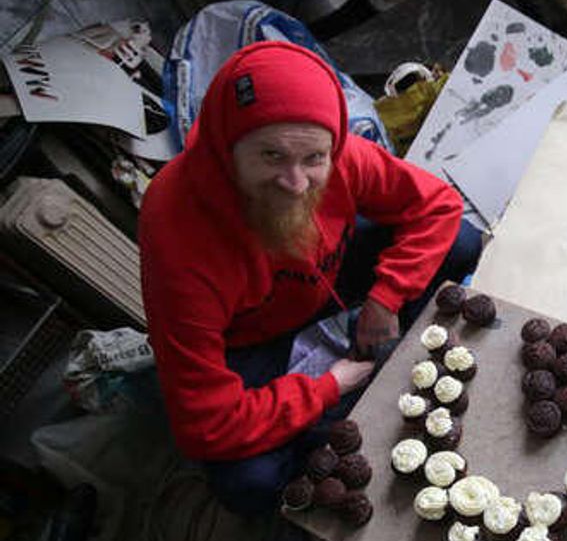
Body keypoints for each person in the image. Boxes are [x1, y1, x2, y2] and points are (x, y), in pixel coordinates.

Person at [139, 41, 478, 515]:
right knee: (248, 484)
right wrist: (327, 387)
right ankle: (326, 435)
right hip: (250, 335)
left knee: (460, 241)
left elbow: (437, 205)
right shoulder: (180, 239)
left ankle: (386, 362)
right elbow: (205, 423)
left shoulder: (336, 154)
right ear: (226, 149)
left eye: (313, 160)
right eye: (271, 156)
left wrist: (387, 295)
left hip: (324, 275)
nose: (296, 184)